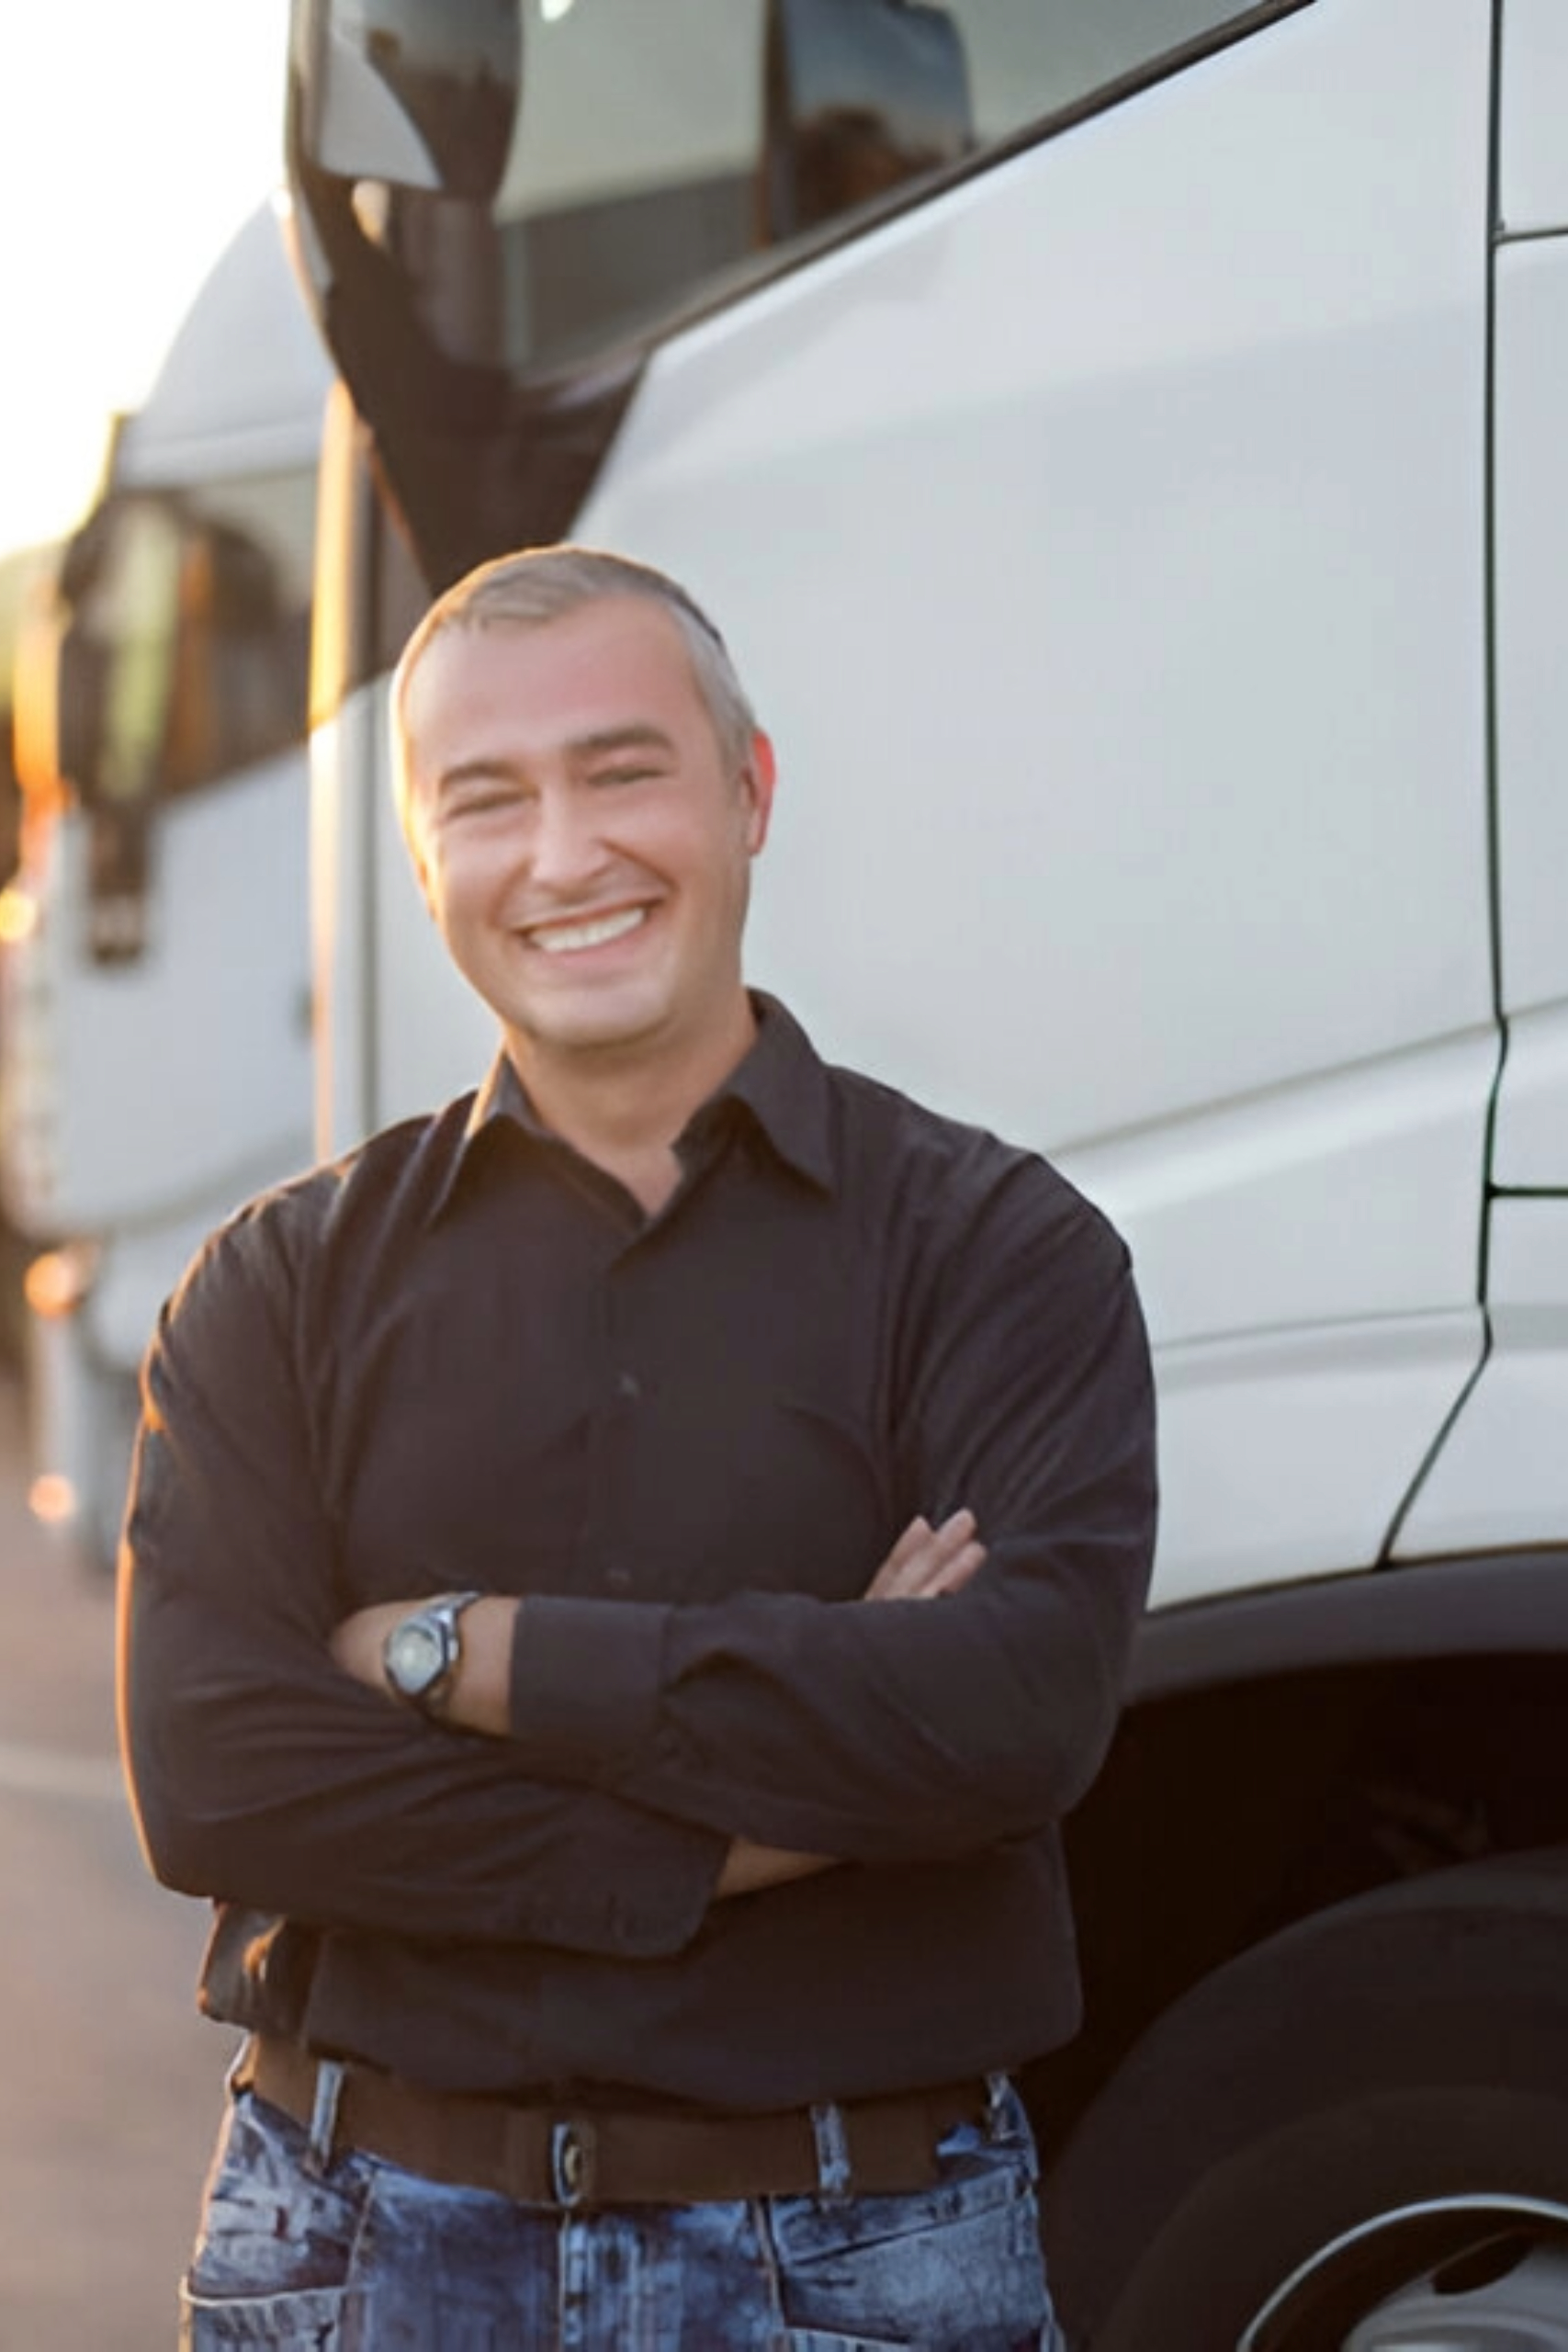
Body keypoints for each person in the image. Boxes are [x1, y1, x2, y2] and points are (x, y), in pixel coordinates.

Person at [119, 544, 1157, 2349]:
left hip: (859, 2254)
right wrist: (784, 1797)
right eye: (486, 798)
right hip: (360, 2248)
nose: (562, 854)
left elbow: (1002, 1716)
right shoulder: (276, 1285)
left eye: (621, 770)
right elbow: (222, 1775)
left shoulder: (1001, 1249)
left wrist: (460, 1651)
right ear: (425, 856)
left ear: (746, 792)